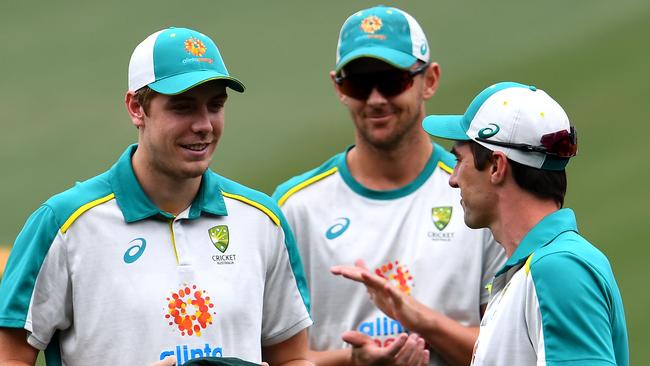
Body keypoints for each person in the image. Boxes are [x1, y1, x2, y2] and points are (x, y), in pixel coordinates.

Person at [0, 27, 312, 365]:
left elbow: (292, 357)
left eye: (215, 106)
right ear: (136, 107)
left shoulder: (261, 220)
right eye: (183, 108)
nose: (204, 124)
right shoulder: (64, 224)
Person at [272, 6, 505, 366]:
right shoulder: (294, 206)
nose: (376, 99)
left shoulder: (481, 193)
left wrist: (423, 323)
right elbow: (273, 356)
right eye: (359, 84)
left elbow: (511, 347)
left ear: (429, 80)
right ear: (339, 88)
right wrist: (352, 361)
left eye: (393, 80)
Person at [419, 81, 629, 365]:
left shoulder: (558, 269)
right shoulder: (532, 270)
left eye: (459, 161)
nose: (453, 179)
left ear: (496, 166)